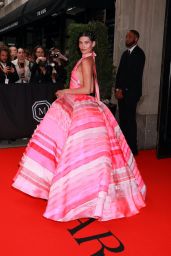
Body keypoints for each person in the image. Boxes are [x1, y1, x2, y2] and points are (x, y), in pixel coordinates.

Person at [12, 31, 146, 222]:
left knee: (76, 152)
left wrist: (64, 90)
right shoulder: (87, 58)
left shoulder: (87, 61)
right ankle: (79, 191)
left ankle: (79, 194)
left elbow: (88, 89)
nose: (83, 45)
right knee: (81, 153)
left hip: (82, 107)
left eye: (86, 42)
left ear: (93, 44)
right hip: (79, 105)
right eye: (81, 42)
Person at [115, 30, 145, 155]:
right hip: (121, 94)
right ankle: (124, 147)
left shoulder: (139, 54)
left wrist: (123, 90)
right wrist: (117, 89)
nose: (127, 38)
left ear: (136, 39)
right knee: (123, 121)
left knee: (130, 121)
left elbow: (134, 76)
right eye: (126, 36)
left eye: (130, 36)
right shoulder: (125, 54)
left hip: (131, 94)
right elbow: (120, 73)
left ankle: (133, 149)